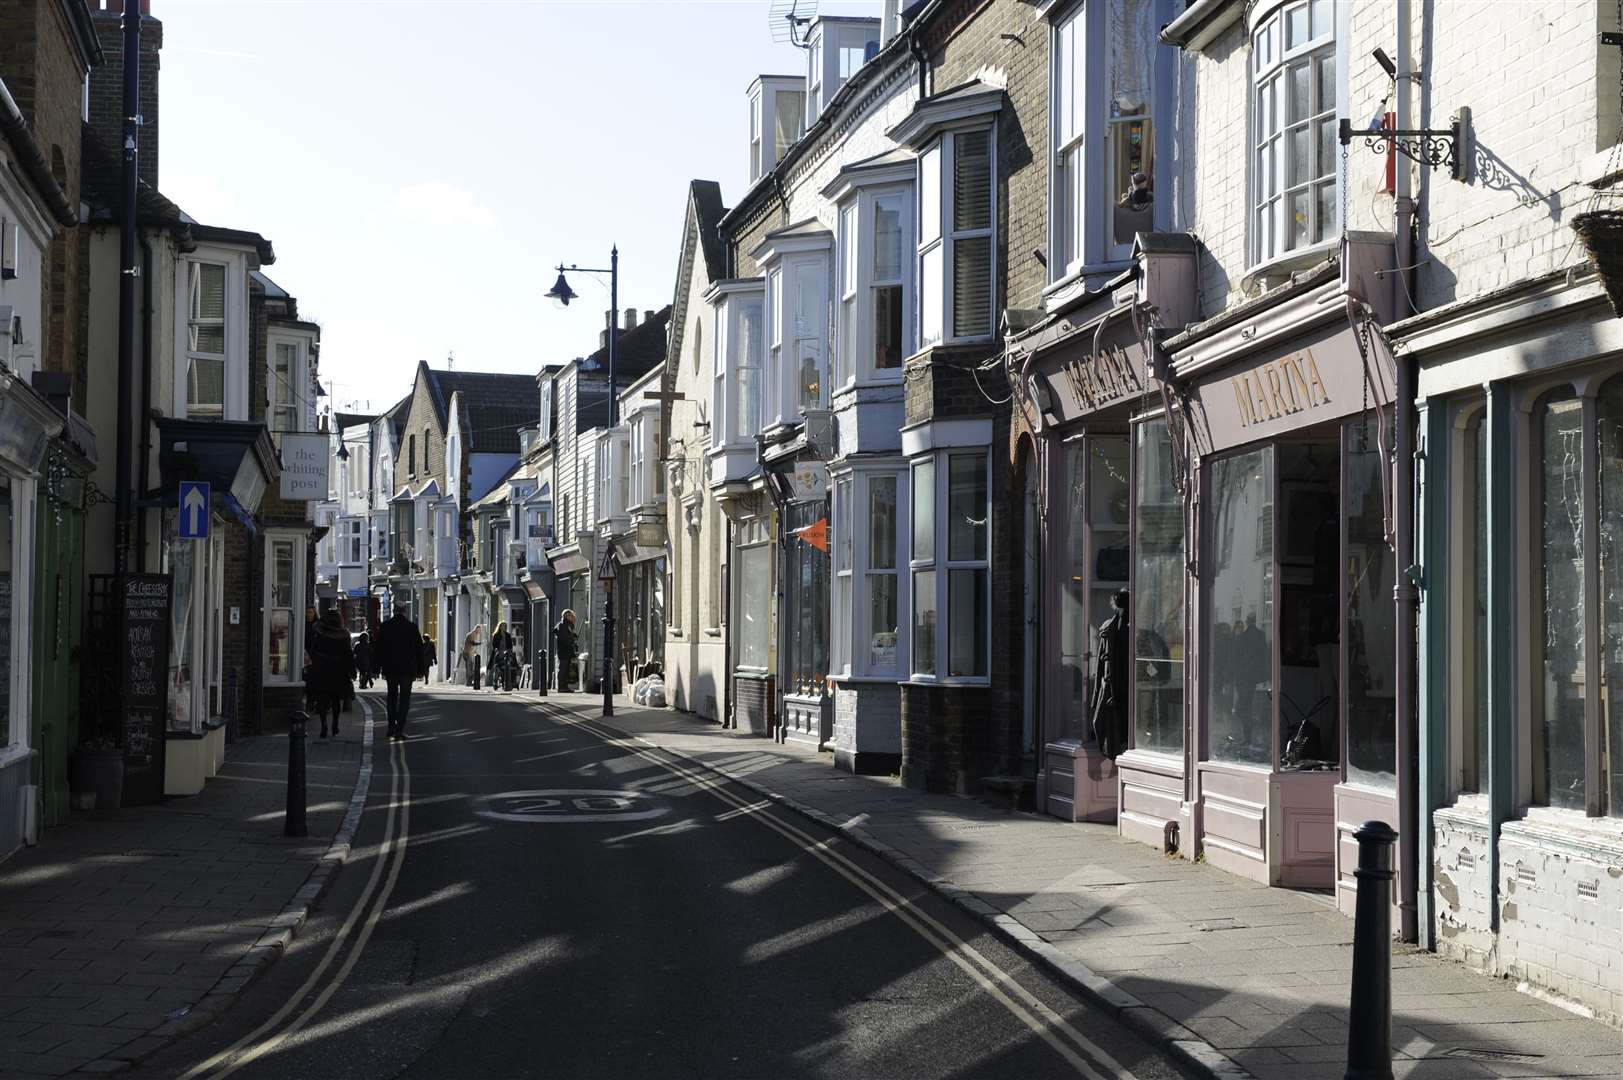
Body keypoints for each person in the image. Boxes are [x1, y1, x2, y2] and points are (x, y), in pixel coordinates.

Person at [1090, 590, 1130, 760]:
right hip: (1123, 686)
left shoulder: (1110, 627)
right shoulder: (1118, 627)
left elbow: (1100, 664)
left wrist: (1097, 692)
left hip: (1116, 686)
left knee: (1114, 725)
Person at [376, 607, 424, 740]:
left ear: (394, 612)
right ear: (405, 612)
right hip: (407, 670)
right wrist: (421, 670)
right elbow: (419, 650)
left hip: (390, 669)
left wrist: (375, 668)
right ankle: (399, 730)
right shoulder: (412, 627)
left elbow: (378, 648)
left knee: (391, 697)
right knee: (404, 699)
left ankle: (391, 727)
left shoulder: (385, 627)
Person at [307, 609, 356, 739]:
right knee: (335, 699)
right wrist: (352, 670)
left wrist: (315, 664)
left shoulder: (320, 633)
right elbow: (348, 654)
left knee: (322, 699)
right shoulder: (344, 635)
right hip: (338, 671)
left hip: (322, 670)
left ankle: (324, 725)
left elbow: (313, 651)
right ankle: (335, 723)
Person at [553, 609, 578, 692]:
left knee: (566, 669)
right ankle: (561, 687)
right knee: (563, 669)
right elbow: (564, 638)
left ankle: (564, 686)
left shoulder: (566, 625)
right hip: (564, 651)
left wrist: (573, 636)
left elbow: (566, 636)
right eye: (570, 615)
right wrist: (572, 641)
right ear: (566, 616)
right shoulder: (563, 625)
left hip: (565, 651)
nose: (572, 617)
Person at [490, 620, 515, 691]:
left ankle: (507, 683)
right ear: (500, 627)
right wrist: (497, 650)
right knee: (497, 668)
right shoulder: (496, 635)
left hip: (506, 653)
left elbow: (510, 645)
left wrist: (509, 651)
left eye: (505, 626)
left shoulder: (508, 635)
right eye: (503, 626)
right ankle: (495, 682)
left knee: (507, 667)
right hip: (498, 653)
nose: (505, 627)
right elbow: (494, 645)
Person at [462, 625, 484, 690]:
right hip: (467, 653)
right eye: (479, 630)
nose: (480, 631)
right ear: (476, 629)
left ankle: (468, 682)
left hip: (469, 652)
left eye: (480, 630)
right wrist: (480, 643)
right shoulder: (472, 634)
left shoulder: (475, 634)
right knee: (469, 667)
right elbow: (472, 643)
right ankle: (468, 682)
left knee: (470, 667)